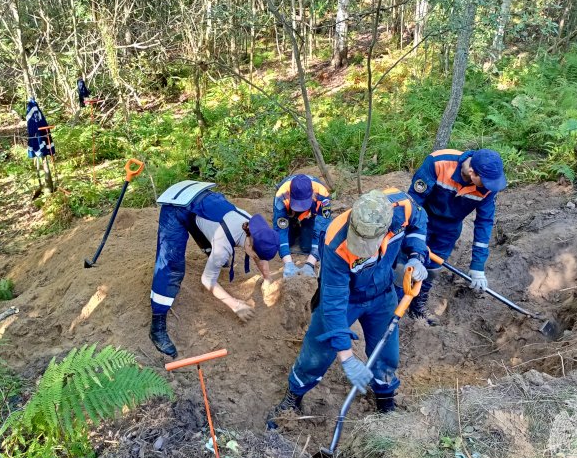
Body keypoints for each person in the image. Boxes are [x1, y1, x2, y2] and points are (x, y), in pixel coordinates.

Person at [266, 189, 429, 428]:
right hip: (346, 298)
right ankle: (293, 397)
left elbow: (419, 222)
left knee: (387, 354)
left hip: (382, 294)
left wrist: (416, 256)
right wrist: (347, 357)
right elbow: (334, 305)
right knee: (317, 352)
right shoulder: (335, 241)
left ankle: (385, 401)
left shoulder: (403, 207)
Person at [149, 180, 279, 359]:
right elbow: (207, 280)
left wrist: (267, 278)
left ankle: (211, 253)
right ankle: (157, 326)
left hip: (204, 202)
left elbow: (260, 254)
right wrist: (235, 305)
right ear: (249, 245)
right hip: (177, 206)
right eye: (256, 256)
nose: (258, 259)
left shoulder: (254, 227)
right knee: (171, 265)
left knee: (216, 250)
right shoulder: (223, 246)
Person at [403, 148, 507, 324]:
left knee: (432, 269)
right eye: (486, 183)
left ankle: (417, 306)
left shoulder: (488, 185)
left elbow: (484, 222)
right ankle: (395, 304)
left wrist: (478, 266)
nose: (489, 187)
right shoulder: (439, 163)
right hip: (421, 220)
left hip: (449, 230)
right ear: (472, 172)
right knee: (407, 264)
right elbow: (413, 204)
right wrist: (414, 237)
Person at [272, 174, 332, 279]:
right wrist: (288, 264)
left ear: (313, 194)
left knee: (307, 247)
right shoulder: (281, 195)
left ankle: (303, 224)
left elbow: (322, 229)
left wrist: (310, 264)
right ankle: (294, 224)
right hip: (289, 213)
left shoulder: (322, 194)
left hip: (311, 213)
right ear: (290, 195)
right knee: (287, 242)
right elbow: (280, 230)